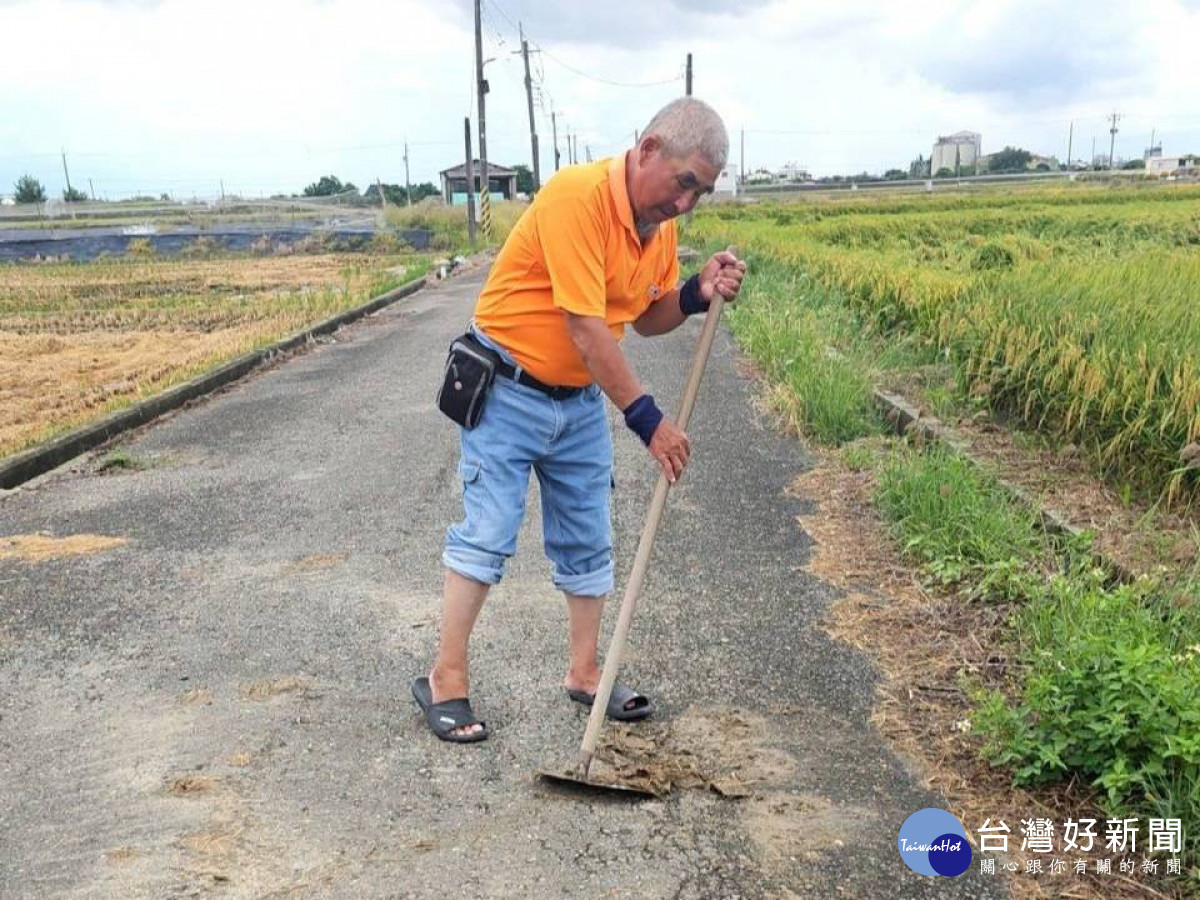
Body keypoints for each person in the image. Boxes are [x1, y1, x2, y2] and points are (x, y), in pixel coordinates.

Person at [411, 96, 746, 742]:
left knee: (589, 535)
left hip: (579, 400)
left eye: (700, 195)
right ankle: (444, 680)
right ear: (648, 150)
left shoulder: (660, 228)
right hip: (506, 387)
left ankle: (587, 673)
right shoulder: (576, 198)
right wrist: (649, 421)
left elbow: (643, 316)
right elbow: (588, 328)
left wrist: (694, 295)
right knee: (488, 533)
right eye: (683, 185)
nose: (685, 205)